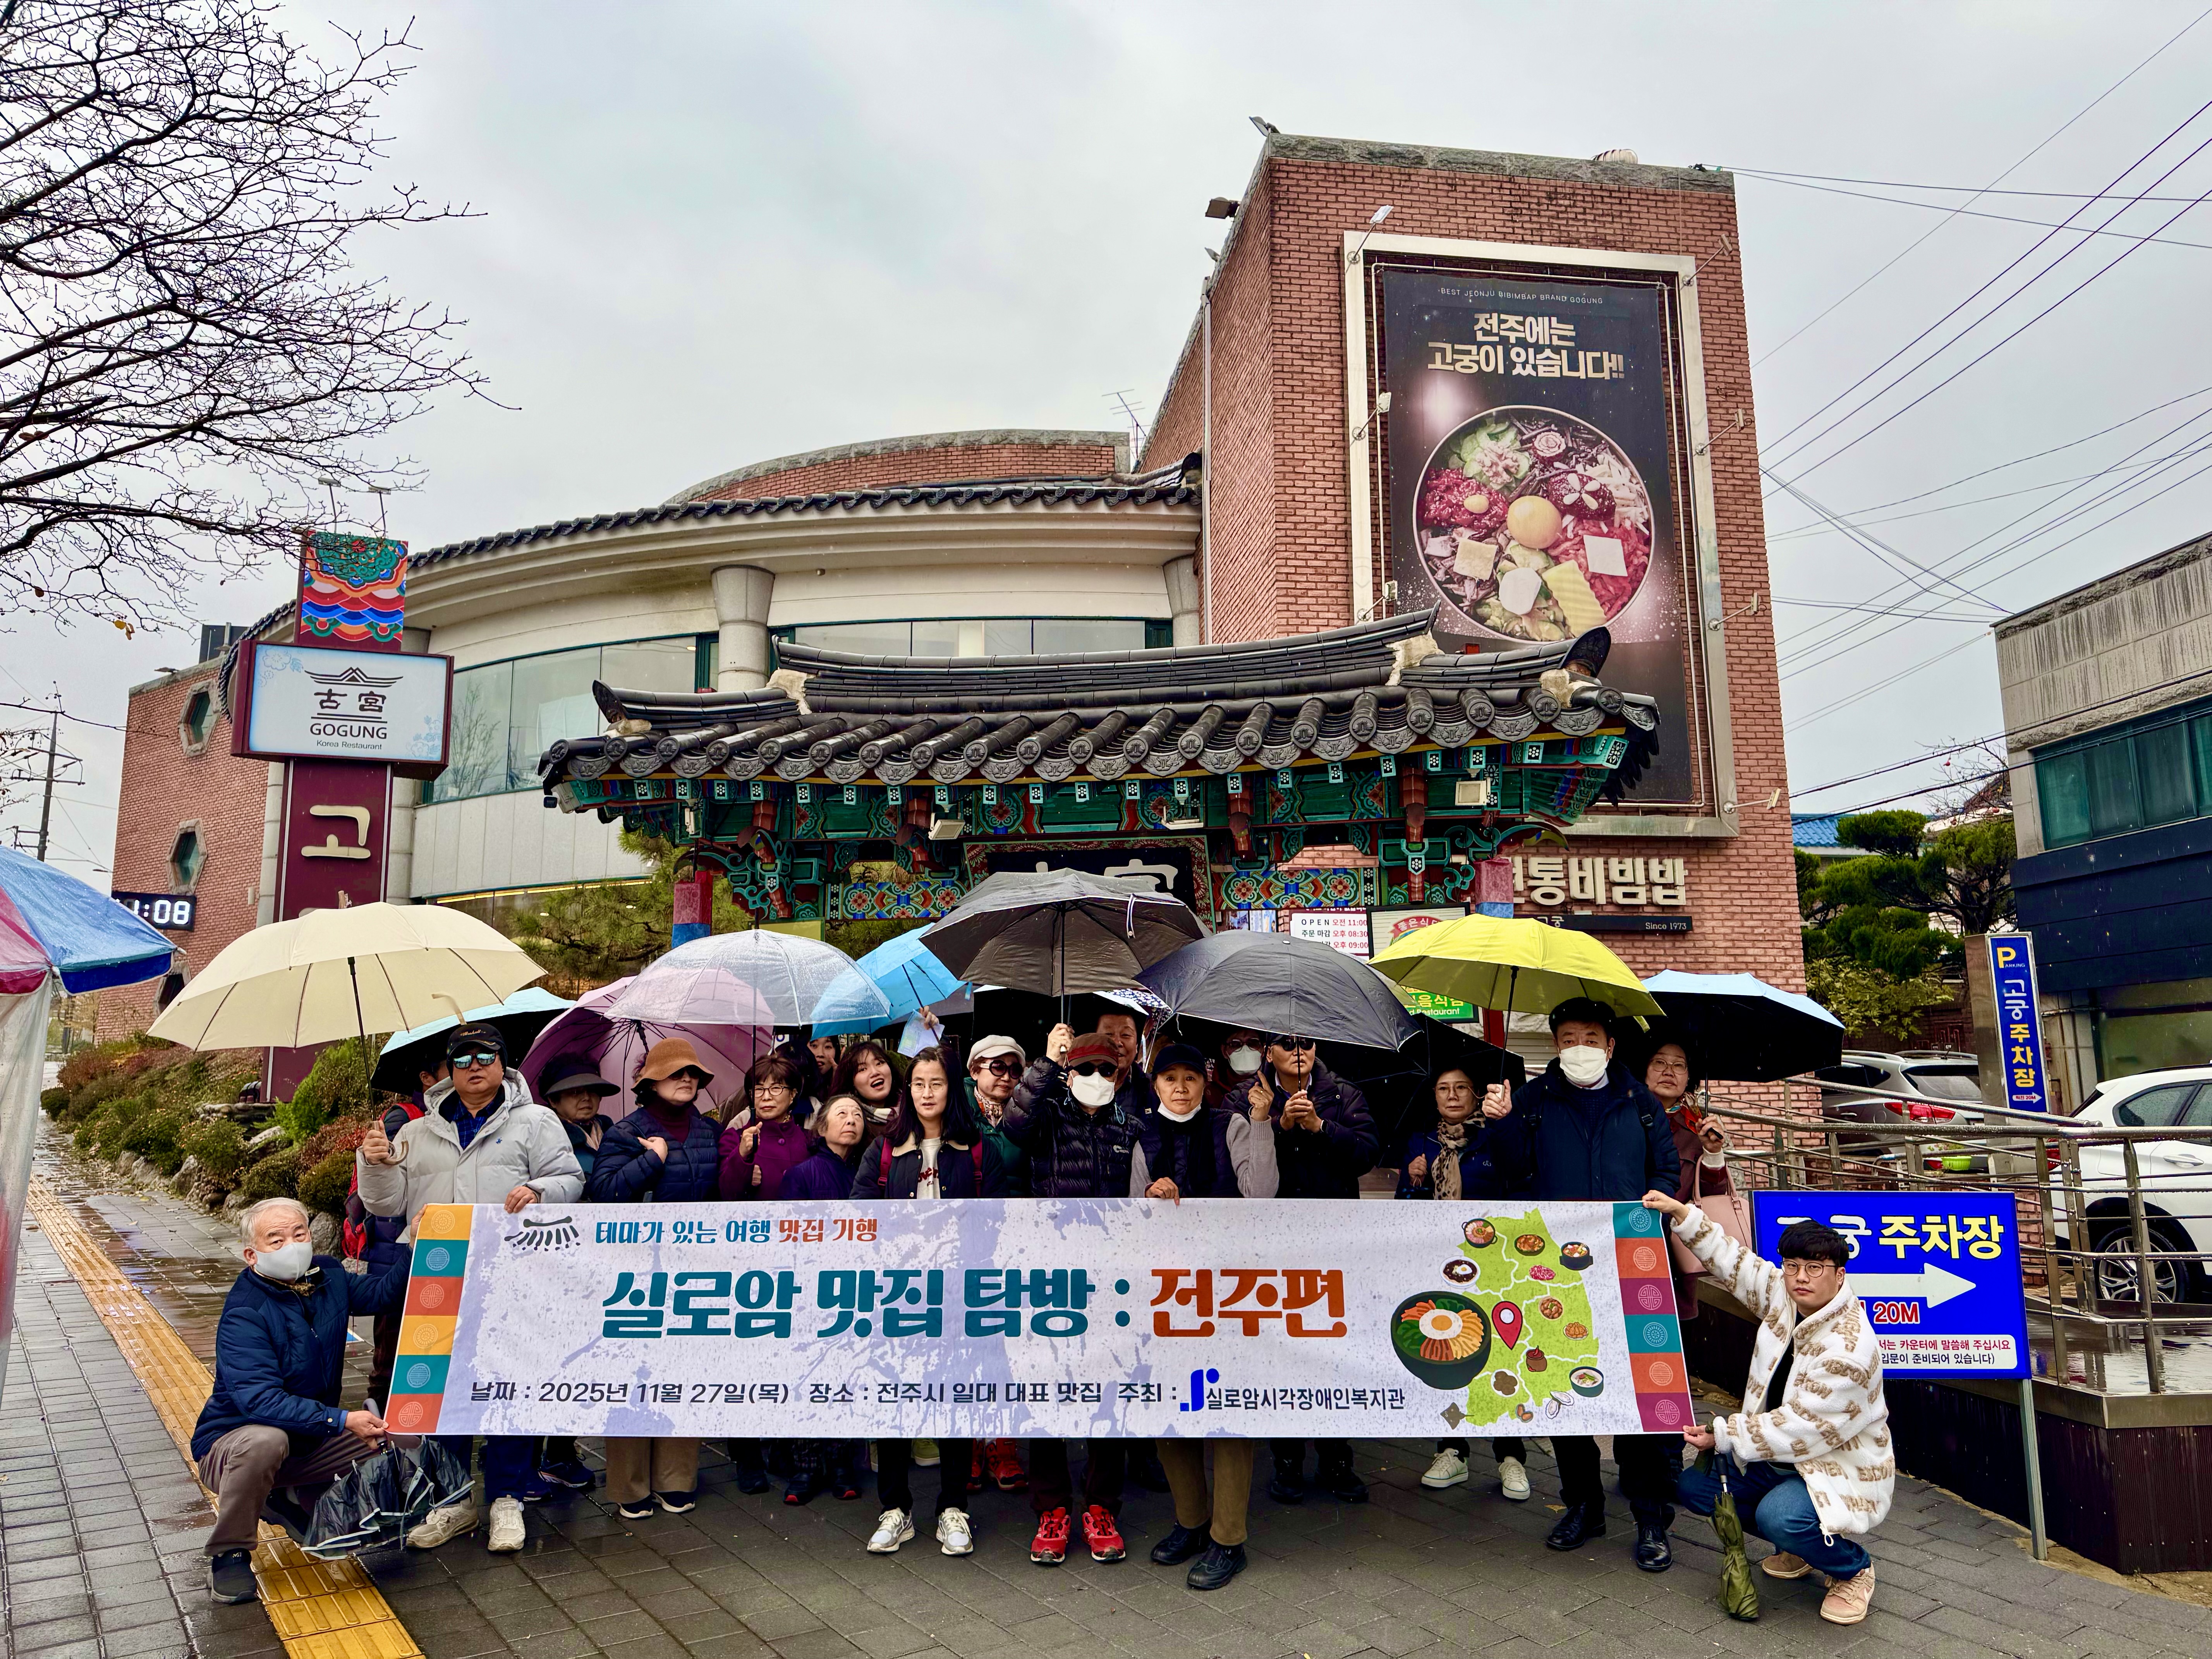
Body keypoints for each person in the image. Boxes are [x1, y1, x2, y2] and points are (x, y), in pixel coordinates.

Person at [356, 1022, 583, 1553]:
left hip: (512, 1273)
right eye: (463, 1058)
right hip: (436, 1274)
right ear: (449, 1070)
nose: (475, 1065)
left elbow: (571, 1178)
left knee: (508, 1382)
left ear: (503, 1063)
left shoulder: (536, 1122)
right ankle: (454, 1501)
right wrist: (375, 1162)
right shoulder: (414, 1132)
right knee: (443, 1386)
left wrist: (540, 1188)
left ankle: (507, 1499)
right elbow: (384, 1205)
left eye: (486, 1055)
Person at [1477, 996, 1682, 1569]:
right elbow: (1512, 1173)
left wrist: (1651, 1207)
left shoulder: (1640, 1103)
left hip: (1631, 1272)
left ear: (1611, 1046)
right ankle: (1583, 1506)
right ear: (1555, 1047)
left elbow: (1666, 1169)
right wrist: (1502, 1124)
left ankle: (1649, 1517)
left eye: (1590, 1038)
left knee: (1640, 1394)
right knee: (1561, 1390)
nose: (1580, 1049)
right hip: (1552, 1276)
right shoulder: (1534, 1101)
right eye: (1568, 1038)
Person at [1642, 1194, 1892, 1627]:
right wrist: (1683, 1215)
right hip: (1776, 1455)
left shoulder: (1850, 1348)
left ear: (1840, 1275)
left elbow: (1800, 1428)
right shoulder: (1787, 1297)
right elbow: (1737, 1265)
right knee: (1697, 1490)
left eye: (1815, 1268)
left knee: (1780, 1518)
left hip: (1826, 1466)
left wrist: (1724, 1434)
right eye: (1793, 1265)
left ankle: (1853, 1569)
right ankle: (1802, 1545)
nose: (1800, 1277)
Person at [194, 1198, 413, 1603]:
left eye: (300, 1234)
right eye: (275, 1240)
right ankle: (230, 1552)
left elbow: (385, 1295)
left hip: (308, 1440)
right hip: (233, 1447)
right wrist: (342, 1420)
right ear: (251, 1255)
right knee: (267, 1441)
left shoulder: (328, 1275)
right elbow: (260, 1402)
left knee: (401, 1433)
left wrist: (415, 1244)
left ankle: (297, 1498)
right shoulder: (245, 1312)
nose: (292, 1245)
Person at [851, 1044, 1009, 1555]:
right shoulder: (883, 1151)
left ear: (951, 1089)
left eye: (936, 1084)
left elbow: (1002, 1221)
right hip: (898, 1297)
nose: (926, 1093)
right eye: (917, 1084)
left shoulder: (978, 1150)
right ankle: (895, 1510)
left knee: (952, 1404)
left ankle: (952, 1508)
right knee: (894, 1403)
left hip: (960, 1299)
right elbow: (858, 1215)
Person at [1135, 1044, 1274, 1591]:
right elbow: (1131, 1213)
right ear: (1155, 1084)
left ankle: (1228, 1539)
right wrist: (1150, 1194)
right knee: (1173, 1412)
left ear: (1204, 1081)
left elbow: (1260, 1194)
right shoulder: (1142, 1134)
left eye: (1190, 1077)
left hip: (1229, 1292)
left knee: (1227, 1413)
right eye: (1169, 1077)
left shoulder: (1232, 1124)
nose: (1180, 1087)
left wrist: (1261, 1126)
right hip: (1169, 1295)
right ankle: (1191, 1523)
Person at [1003, 1031, 1141, 1566]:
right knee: (1048, 1392)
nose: (1098, 1079)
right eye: (1087, 1069)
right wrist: (1046, 1060)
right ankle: (1052, 1509)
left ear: (1119, 1076)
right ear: (1070, 1072)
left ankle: (1102, 1507)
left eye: (1108, 1071)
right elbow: (1016, 1124)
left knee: (1108, 1394)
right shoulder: (1049, 1119)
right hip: (1051, 1277)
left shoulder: (1130, 1127)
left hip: (1111, 1281)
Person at [586, 1037, 724, 1518]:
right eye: (676, 1073)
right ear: (650, 1084)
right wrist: (653, 1160)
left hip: (694, 1272)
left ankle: (677, 1479)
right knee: (631, 1375)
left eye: (694, 1075)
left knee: (683, 1372)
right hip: (636, 1273)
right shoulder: (627, 1132)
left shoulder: (710, 1132)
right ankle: (629, 1487)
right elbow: (602, 1196)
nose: (688, 1080)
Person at [1249, 1031, 1377, 1507]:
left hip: (1335, 1242)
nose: (1298, 1050)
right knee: (1281, 1352)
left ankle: (1337, 1459)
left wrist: (1322, 1126)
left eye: (1306, 1042)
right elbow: (1242, 1167)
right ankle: (1286, 1462)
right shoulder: (1254, 1095)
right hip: (1274, 1246)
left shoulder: (1345, 1094)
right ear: (1269, 1052)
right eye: (1285, 1042)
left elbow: (1368, 1155)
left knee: (1334, 1351)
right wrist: (1277, 1127)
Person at [1396, 1065, 1529, 1503]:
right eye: (1443, 1090)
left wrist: (1504, 1124)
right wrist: (1413, 1179)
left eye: (1461, 1089)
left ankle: (1511, 1455)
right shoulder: (1421, 1142)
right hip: (1439, 1267)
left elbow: (1519, 1177)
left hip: (1492, 1266)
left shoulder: (1495, 1135)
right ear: (1434, 1098)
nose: (1452, 1097)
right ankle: (1452, 1449)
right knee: (1447, 1354)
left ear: (1476, 1094)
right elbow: (1404, 1212)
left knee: (1499, 1356)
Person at [537, 1062, 618, 1493]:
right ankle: (550, 1453)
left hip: (604, 1261)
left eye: (592, 1091)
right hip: (561, 1260)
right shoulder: (547, 1138)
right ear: (552, 1100)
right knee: (557, 1357)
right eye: (573, 1093)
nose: (585, 1099)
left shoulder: (612, 1130)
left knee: (587, 1355)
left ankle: (560, 1449)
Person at [342, 1056, 437, 1407]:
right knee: (392, 1342)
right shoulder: (405, 1118)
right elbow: (390, 1190)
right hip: (393, 1246)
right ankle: (380, 1421)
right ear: (428, 1077)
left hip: (408, 1243)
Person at [965, 1035, 1030, 1495]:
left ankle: (1002, 1441)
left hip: (1017, 1240)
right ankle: (970, 1441)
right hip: (967, 1240)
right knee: (968, 1340)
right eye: (995, 1066)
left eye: (1013, 1068)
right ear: (974, 1070)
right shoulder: (957, 1112)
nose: (1005, 1075)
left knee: (1007, 1343)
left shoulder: (1026, 1117)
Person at [1640, 1026, 1730, 1323]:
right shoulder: (1622, 1116)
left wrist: (1714, 1153)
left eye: (1679, 1065)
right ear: (1644, 1069)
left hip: (1676, 1254)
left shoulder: (1699, 1129)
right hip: (1628, 1240)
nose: (1670, 1072)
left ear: (1689, 1076)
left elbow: (1712, 1198)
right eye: (1660, 1063)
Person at [720, 1052, 815, 1200]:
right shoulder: (735, 1137)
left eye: (776, 1088)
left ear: (793, 1095)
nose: (766, 1097)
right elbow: (726, 1195)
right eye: (759, 1089)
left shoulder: (810, 1140)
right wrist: (742, 1157)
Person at [832, 1038, 903, 1135]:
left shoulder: (915, 1109)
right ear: (851, 1082)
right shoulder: (848, 1125)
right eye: (862, 1069)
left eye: (879, 1063)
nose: (875, 1073)